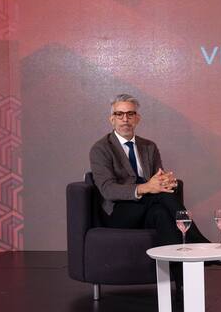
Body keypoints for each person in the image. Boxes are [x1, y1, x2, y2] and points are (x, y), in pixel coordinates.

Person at [89, 94, 209, 255]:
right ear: (112, 119)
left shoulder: (149, 147)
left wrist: (167, 182)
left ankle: (179, 278)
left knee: (162, 215)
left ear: (137, 119)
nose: (125, 119)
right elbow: (108, 190)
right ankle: (200, 242)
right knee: (164, 197)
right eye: (119, 114)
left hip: (147, 208)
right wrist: (145, 187)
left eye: (130, 114)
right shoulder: (101, 149)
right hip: (119, 212)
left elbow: (157, 179)